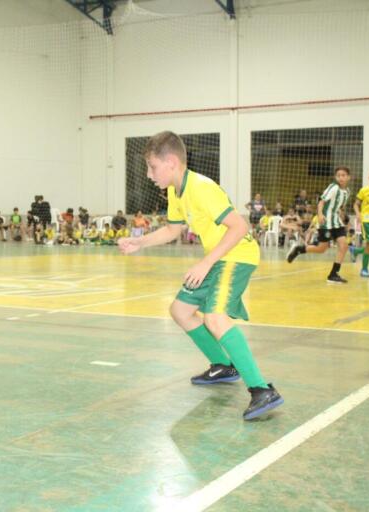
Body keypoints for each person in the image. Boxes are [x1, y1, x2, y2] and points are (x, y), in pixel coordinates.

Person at [118, 131, 282, 420]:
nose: (148, 174)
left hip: (237, 255)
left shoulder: (202, 188)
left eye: (152, 167)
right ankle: (223, 365)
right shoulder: (175, 191)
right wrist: (139, 242)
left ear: (171, 162)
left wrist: (205, 263)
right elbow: (172, 229)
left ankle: (261, 389)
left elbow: (239, 227)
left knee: (215, 318)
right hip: (218, 258)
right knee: (180, 310)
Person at [287, 167, 352, 283]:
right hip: (326, 222)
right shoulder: (333, 187)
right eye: (338, 175)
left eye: (343, 175)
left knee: (344, 246)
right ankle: (299, 249)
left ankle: (333, 274)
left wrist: (344, 220)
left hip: (337, 222)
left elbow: (339, 207)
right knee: (322, 248)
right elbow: (321, 202)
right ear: (335, 177)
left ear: (348, 177)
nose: (341, 178)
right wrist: (320, 215)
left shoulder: (347, 192)